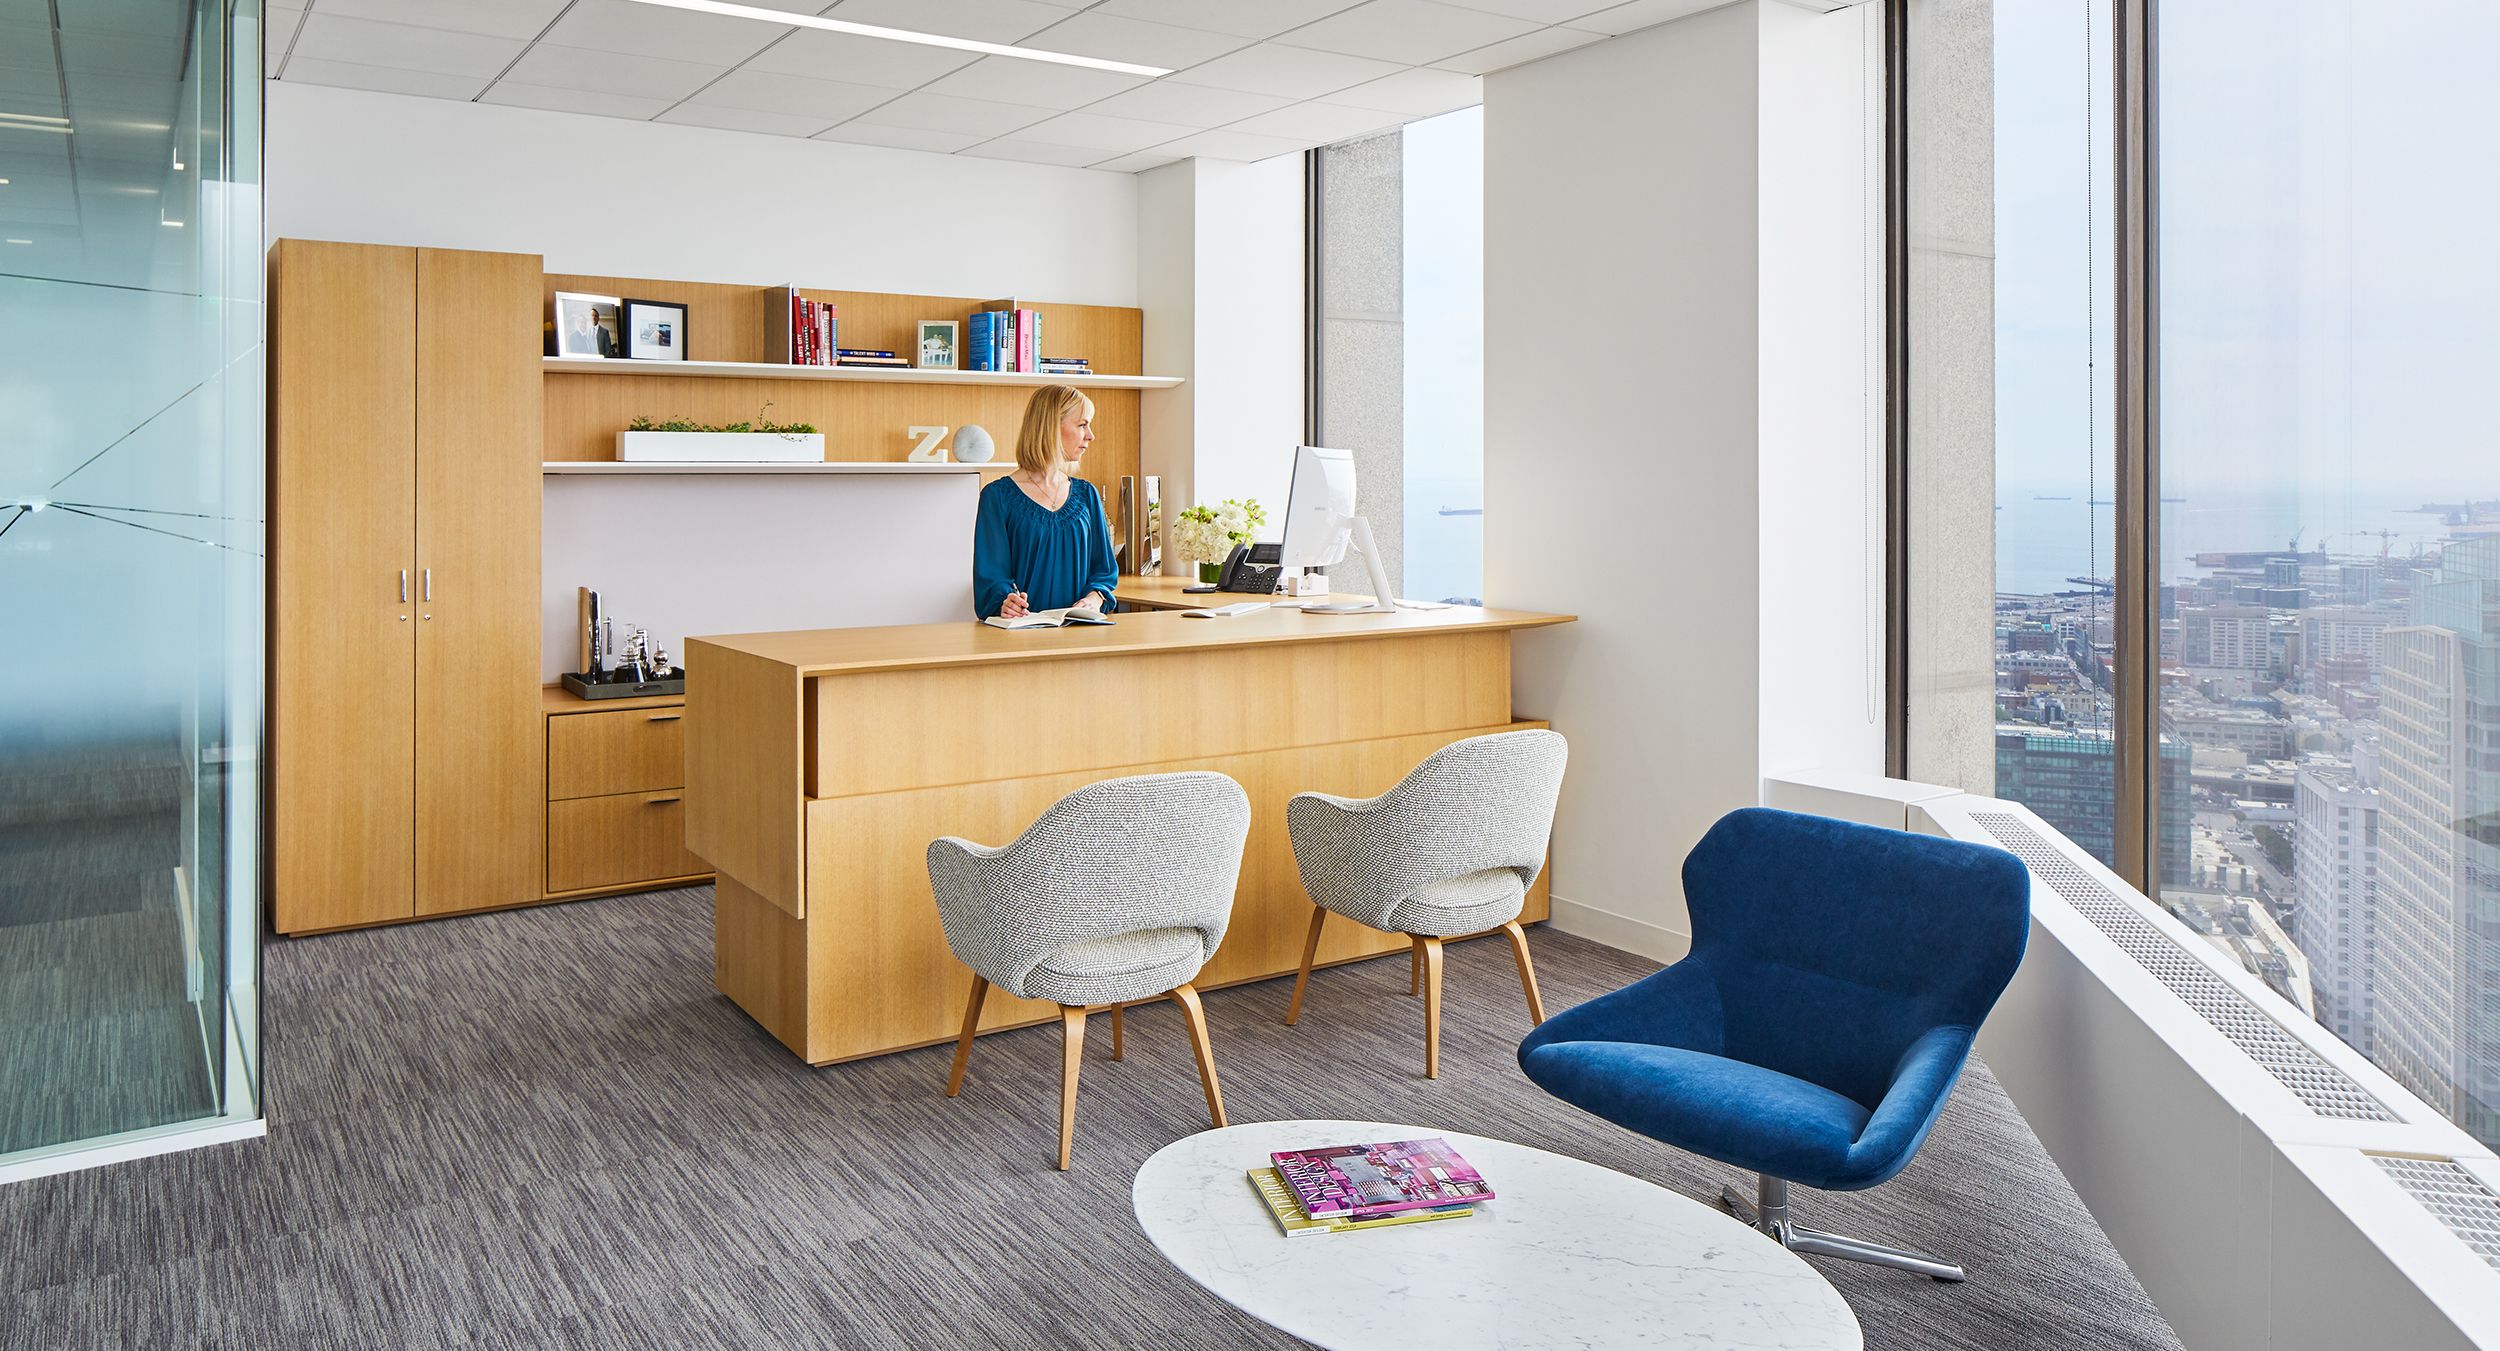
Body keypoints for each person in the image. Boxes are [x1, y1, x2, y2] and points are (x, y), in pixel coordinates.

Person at [973, 384, 1118, 620]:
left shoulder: (1087, 494)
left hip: (1080, 631)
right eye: (1082, 424)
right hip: (1022, 633)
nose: (1090, 435)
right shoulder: (996, 497)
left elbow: (1103, 571)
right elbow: (991, 579)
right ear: (1051, 426)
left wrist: (1094, 599)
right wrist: (1006, 602)